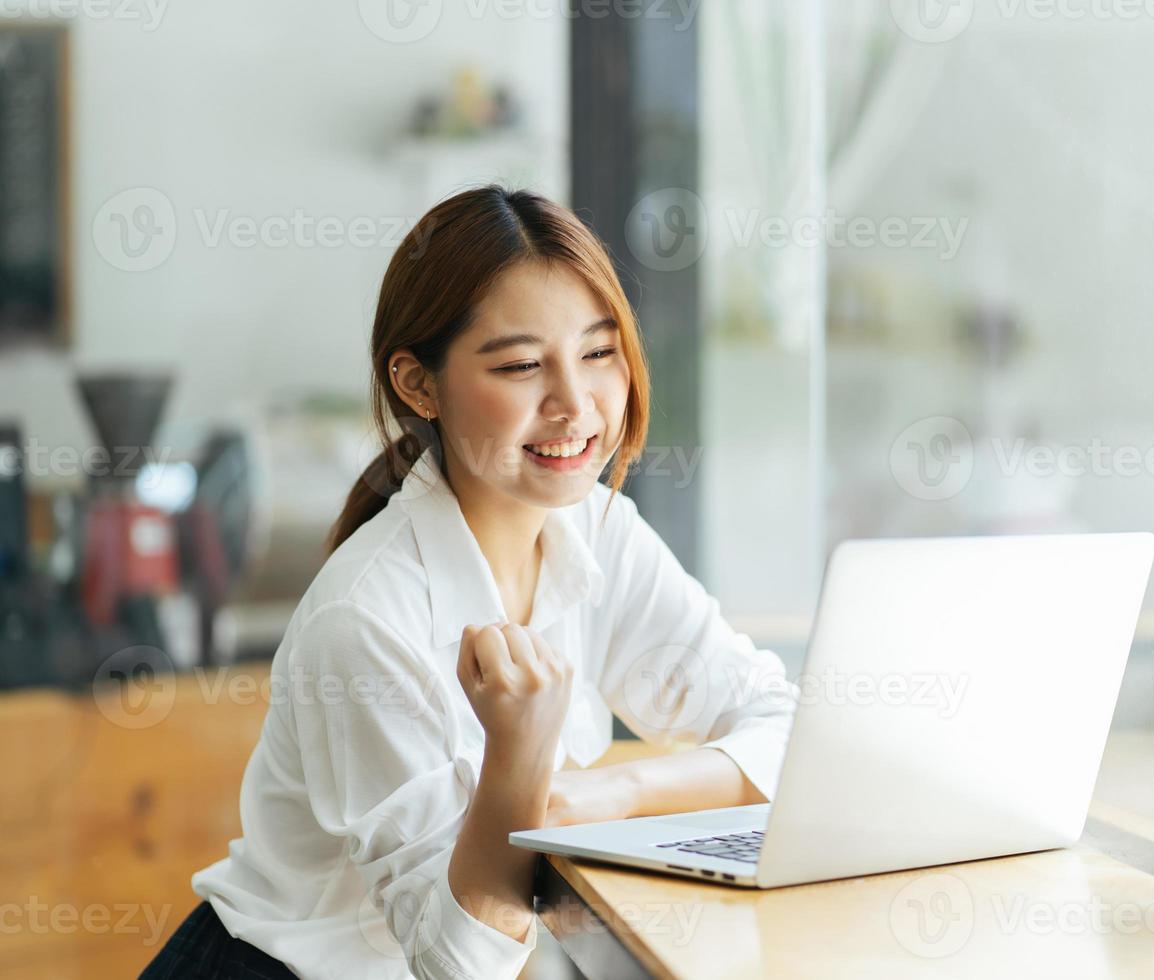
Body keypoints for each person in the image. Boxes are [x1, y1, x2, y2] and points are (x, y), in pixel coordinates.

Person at [141, 185, 799, 979]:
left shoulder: (596, 530)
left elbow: (782, 724)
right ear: (419, 386)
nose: (575, 404)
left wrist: (613, 795)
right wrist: (518, 758)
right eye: (522, 365)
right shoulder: (364, 617)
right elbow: (459, 964)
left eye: (598, 352)